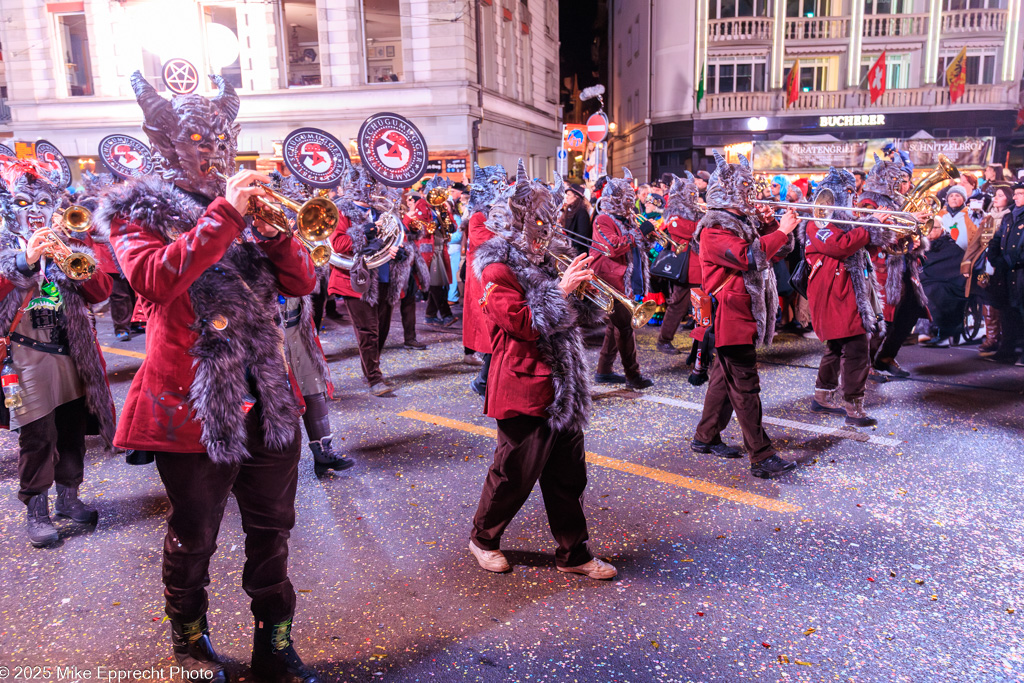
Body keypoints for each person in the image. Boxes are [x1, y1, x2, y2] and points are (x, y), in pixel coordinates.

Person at [99, 73, 319, 682]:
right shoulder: (136, 209)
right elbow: (153, 280)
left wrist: (278, 235)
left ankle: (274, 644)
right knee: (194, 537)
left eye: (223, 137)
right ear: (165, 143)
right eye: (198, 137)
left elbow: (302, 283)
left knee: (273, 534)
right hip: (191, 404)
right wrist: (225, 213)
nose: (215, 150)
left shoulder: (254, 205)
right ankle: (191, 642)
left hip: (268, 397)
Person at [469, 161, 615, 580]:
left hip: (563, 386)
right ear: (518, 223)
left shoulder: (550, 260)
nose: (548, 231)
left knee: (569, 476)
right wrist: (561, 289)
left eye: (550, 222)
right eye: (539, 223)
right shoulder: (497, 268)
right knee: (513, 474)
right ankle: (483, 539)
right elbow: (522, 323)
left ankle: (574, 553)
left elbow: (577, 318)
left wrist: (585, 291)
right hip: (524, 384)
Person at [0, 156, 115, 548]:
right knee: (37, 433)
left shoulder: (68, 241)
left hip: (70, 349)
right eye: (22, 204)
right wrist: (25, 259)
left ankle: (69, 496)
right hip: (24, 353)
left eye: (42, 204)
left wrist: (70, 257)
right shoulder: (4, 244)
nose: (34, 212)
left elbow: (101, 293)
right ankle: (37, 508)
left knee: (71, 428)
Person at [690, 152, 799, 480]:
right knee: (746, 387)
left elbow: (780, 252)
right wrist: (778, 229)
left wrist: (770, 225)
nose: (752, 196)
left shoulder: (741, 224)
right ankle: (761, 456)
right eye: (747, 191)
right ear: (729, 195)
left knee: (723, 381)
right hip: (730, 318)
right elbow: (748, 257)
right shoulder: (713, 229)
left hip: (742, 314)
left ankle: (705, 436)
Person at [802, 168, 894, 427]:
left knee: (836, 347)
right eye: (849, 193)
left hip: (847, 291)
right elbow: (840, 246)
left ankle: (822, 396)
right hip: (835, 293)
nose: (854, 199)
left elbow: (863, 248)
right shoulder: (818, 222)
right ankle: (854, 408)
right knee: (855, 351)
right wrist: (872, 223)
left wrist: (882, 230)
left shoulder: (846, 222)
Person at [328, 164, 418, 396]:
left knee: (383, 330)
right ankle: (374, 378)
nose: (371, 191)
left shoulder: (384, 212)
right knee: (368, 331)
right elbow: (338, 245)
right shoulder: (341, 212)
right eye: (366, 186)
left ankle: (370, 367)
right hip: (357, 281)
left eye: (372, 186)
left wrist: (402, 253)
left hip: (385, 277)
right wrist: (365, 232)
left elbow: (399, 240)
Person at [864, 154, 931, 379]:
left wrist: (917, 237)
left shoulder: (898, 201)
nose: (904, 185)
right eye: (898, 180)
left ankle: (885, 356)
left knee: (909, 313)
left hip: (904, 266)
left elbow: (908, 233)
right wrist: (907, 218)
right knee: (881, 319)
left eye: (904, 180)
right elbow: (870, 234)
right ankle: (865, 364)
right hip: (882, 268)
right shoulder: (868, 202)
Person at [589, 169, 655, 390]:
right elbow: (612, 247)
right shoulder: (602, 219)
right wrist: (638, 234)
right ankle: (633, 375)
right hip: (608, 281)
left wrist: (648, 236)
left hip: (624, 280)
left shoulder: (626, 220)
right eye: (626, 198)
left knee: (614, 327)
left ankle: (604, 371)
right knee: (625, 328)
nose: (631, 202)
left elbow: (639, 247)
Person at [462, 163, 508, 397]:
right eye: (494, 182)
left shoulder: (502, 211)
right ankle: (483, 382)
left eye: (502, 180)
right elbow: (486, 241)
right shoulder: (477, 216)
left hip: (502, 276)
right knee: (494, 329)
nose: (499, 186)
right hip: (483, 280)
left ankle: (489, 380)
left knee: (502, 330)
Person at [921, 185, 976, 347]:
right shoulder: (940, 216)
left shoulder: (970, 215)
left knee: (938, 291)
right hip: (932, 278)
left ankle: (943, 329)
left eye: (957, 196)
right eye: (951, 196)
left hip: (954, 275)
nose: (953, 199)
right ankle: (928, 328)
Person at [655, 172, 702, 355]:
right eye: (689, 195)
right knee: (677, 306)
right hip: (684, 268)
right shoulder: (674, 215)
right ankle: (664, 339)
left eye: (694, 195)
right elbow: (691, 232)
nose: (693, 198)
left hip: (699, 267)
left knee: (702, 307)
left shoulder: (695, 213)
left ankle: (702, 342)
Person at [963, 185, 1012, 357]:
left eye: (1001, 195)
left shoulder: (1011, 217)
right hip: (986, 265)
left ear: (1009, 198)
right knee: (985, 294)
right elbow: (975, 243)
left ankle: (1004, 338)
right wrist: (966, 264)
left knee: (1002, 299)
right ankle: (992, 337)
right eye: (996, 195)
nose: (996, 198)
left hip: (1004, 265)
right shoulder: (989, 218)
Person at [985, 184, 1024, 364]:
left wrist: (1009, 261)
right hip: (1006, 273)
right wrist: (994, 258)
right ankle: (1007, 350)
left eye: (1020, 194)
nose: (1015, 197)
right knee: (1008, 311)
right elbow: (996, 239)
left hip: (1020, 272)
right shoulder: (1009, 216)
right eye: (1015, 194)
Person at [415, 176, 455, 326]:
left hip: (440, 247)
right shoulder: (421, 205)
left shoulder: (441, 206)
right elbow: (420, 229)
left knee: (440, 282)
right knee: (435, 283)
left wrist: (448, 221)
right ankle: (446, 315)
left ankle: (430, 315)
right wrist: (434, 223)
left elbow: (453, 225)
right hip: (428, 249)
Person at [562, 182, 592, 255]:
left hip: (578, 251)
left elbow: (582, 234)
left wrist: (570, 246)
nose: (566, 197)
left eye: (569, 195)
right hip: (570, 249)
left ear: (576, 197)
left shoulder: (582, 211)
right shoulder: (569, 209)